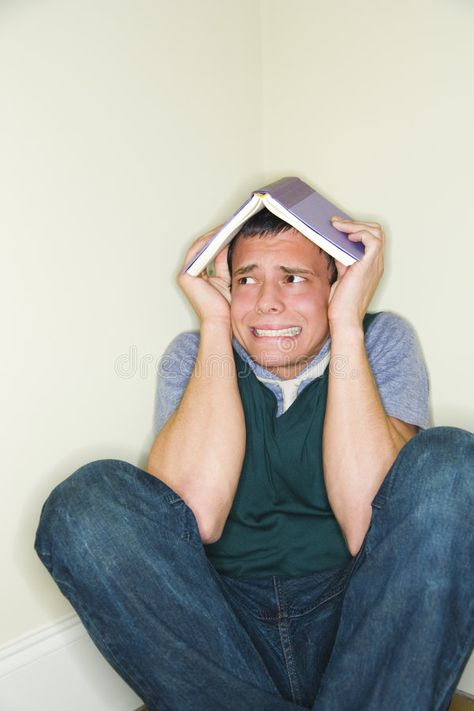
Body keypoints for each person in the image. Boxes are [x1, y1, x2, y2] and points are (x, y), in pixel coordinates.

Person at [35, 207, 473, 711]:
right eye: (247, 279)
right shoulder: (197, 351)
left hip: (362, 623)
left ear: (335, 283)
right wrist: (216, 322)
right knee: (84, 504)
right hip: (221, 631)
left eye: (293, 278)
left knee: (454, 461)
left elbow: (364, 522)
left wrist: (347, 324)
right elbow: (193, 518)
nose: (267, 303)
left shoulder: (380, 340)